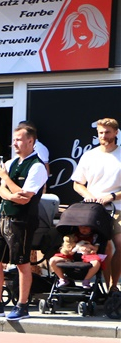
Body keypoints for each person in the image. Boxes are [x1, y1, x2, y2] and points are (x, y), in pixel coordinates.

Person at [0, 123, 49, 321]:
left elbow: (26, 196)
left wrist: (7, 180)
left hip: (22, 220)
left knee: (22, 262)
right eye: (14, 139)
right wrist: (11, 193)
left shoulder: (37, 166)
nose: (14, 143)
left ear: (30, 141)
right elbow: (2, 191)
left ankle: (22, 305)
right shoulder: (10, 162)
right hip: (3, 217)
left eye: (19, 139)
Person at [71, 118, 121, 289]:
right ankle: (106, 287)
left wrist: (112, 196)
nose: (104, 136)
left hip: (117, 208)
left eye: (107, 132)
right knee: (104, 249)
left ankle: (114, 287)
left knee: (119, 246)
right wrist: (89, 196)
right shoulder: (89, 155)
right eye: (101, 132)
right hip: (93, 210)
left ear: (116, 133)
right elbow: (77, 183)